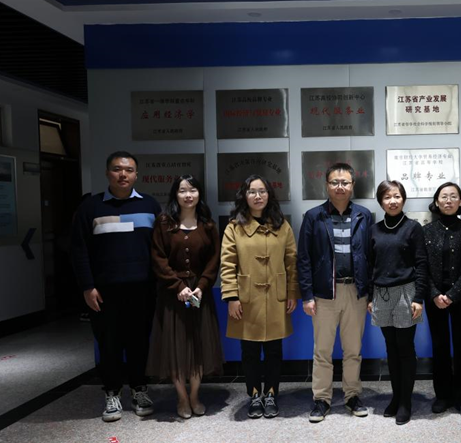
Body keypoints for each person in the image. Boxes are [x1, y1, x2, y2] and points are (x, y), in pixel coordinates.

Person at [70, 151, 161, 422]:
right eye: (117, 169)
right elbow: (78, 251)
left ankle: (139, 389)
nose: (123, 174)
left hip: (142, 290)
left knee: (139, 342)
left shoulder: (150, 205)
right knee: (108, 344)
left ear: (136, 174)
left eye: (129, 170)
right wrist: (87, 286)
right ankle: (112, 392)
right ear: (107, 173)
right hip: (104, 292)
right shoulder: (90, 208)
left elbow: (160, 249)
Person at [297, 162, 373, 423]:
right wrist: (307, 295)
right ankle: (322, 399)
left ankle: (352, 395)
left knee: (353, 349)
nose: (340, 187)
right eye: (335, 182)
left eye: (345, 182)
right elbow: (304, 259)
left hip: (355, 292)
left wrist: (370, 293)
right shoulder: (314, 216)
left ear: (353, 185)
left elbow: (371, 256)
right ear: (327, 185)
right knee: (323, 350)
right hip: (324, 293)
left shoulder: (364, 215)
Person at [220, 175, 298, 419]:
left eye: (262, 191)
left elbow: (292, 262)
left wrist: (292, 292)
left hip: (276, 297)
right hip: (246, 299)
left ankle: (271, 393)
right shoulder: (234, 227)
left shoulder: (282, 225)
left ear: (269, 194)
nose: (257, 196)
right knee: (250, 351)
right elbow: (227, 264)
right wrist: (231, 297)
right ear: (244, 196)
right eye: (252, 191)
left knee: (274, 350)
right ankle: (254, 395)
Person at [148, 175, 224, 419]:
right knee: (176, 346)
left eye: (192, 190)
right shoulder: (164, 223)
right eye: (182, 190)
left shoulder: (208, 225)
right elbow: (158, 258)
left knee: (198, 344)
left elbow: (214, 260)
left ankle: (194, 396)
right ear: (175, 194)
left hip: (199, 292)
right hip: (173, 294)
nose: (188, 195)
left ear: (199, 194)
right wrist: (177, 286)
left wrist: (202, 285)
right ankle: (181, 397)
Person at [367, 180, 428, 425]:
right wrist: (370, 297)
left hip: (406, 293)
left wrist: (419, 298)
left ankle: (405, 402)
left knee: (405, 347)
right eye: (387, 197)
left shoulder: (413, 228)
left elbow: (422, 264)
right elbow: (370, 264)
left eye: (397, 196)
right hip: (380, 294)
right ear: (380, 201)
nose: (392, 201)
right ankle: (395, 397)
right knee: (390, 348)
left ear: (403, 199)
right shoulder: (374, 230)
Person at [422, 182, 461, 419]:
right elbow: (421, 266)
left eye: (453, 196)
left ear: (460, 202)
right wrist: (435, 294)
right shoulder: (426, 231)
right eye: (444, 196)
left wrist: (453, 294)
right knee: (440, 347)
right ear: (436, 202)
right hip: (434, 298)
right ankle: (443, 396)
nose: (448, 200)